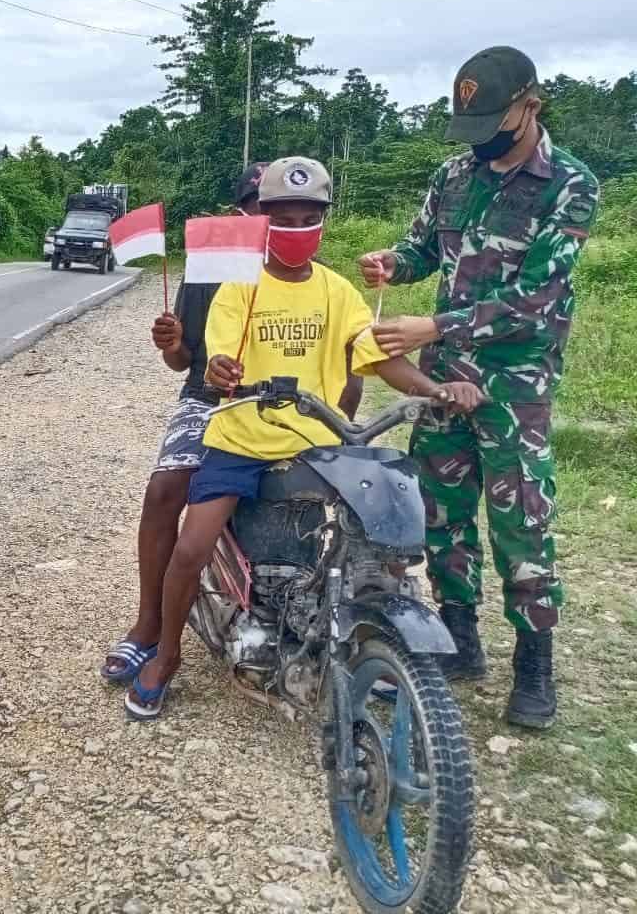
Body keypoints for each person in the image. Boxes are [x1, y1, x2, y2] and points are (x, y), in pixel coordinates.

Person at [125, 157, 483, 721]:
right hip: (239, 438)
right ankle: (166, 652)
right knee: (191, 547)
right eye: (282, 219)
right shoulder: (237, 291)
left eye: (307, 218)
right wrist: (221, 370)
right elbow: (218, 357)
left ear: (323, 223)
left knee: (370, 533)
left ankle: (366, 637)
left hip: (313, 444)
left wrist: (437, 390)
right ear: (262, 220)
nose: (295, 230)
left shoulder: (339, 292)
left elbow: (380, 360)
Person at [359, 46, 599, 729]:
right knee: (439, 511)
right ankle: (461, 642)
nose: (483, 141)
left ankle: (534, 665)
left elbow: (537, 295)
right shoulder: (454, 175)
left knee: (521, 521)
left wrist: (431, 324)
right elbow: (424, 250)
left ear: (532, 104)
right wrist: (389, 263)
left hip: (514, 384)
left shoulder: (569, 185)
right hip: (443, 380)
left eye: (495, 121)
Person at [100, 163, 363, 683]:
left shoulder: (320, 282)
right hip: (208, 399)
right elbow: (184, 363)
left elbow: (350, 365)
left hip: (293, 409)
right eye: (251, 209)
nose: (255, 223)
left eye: (302, 218)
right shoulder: (207, 274)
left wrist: (341, 425)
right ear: (242, 214)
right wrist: (173, 346)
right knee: (166, 488)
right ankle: (150, 624)